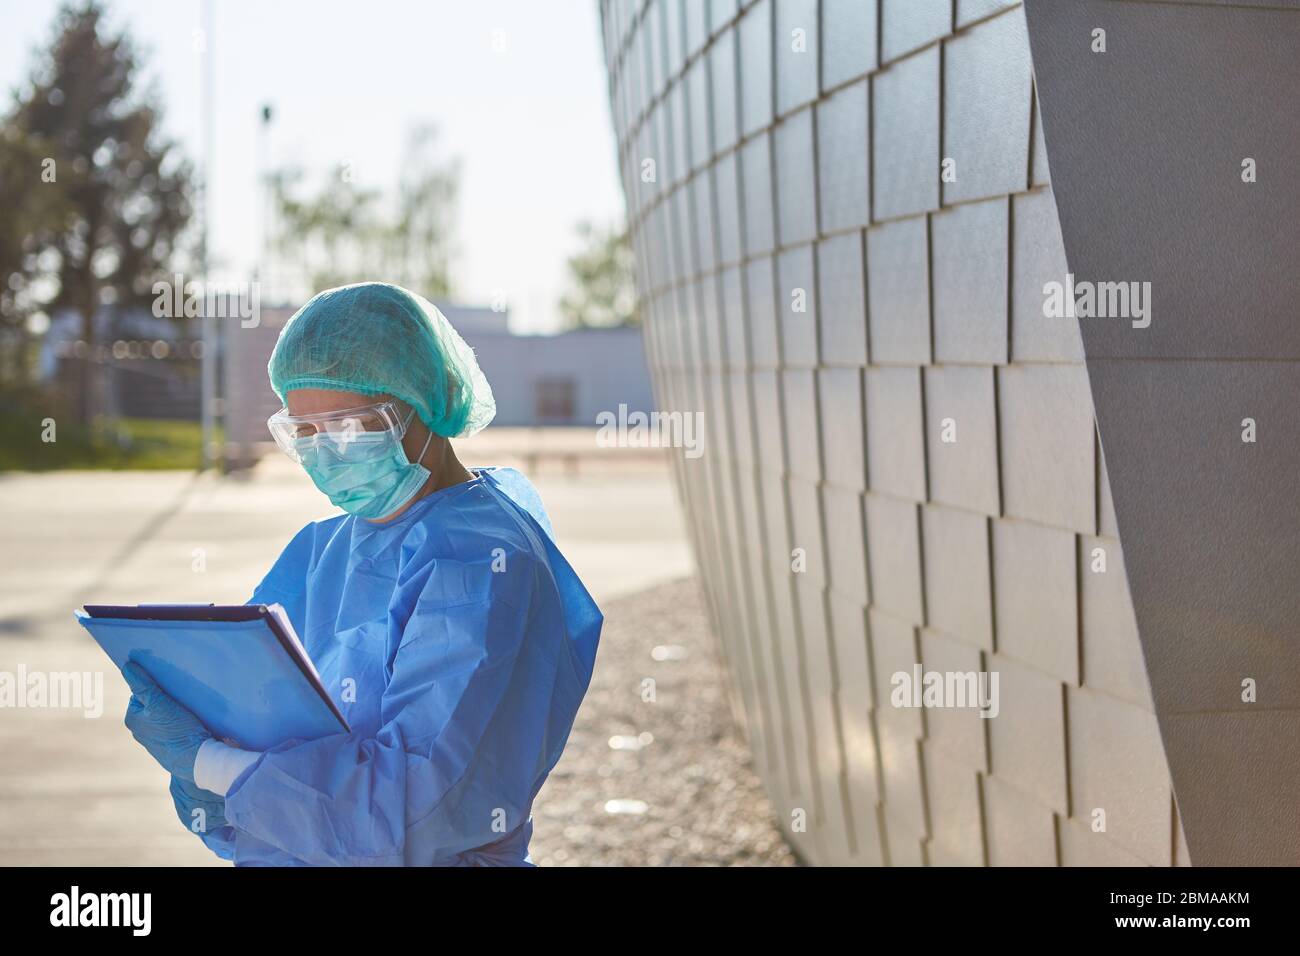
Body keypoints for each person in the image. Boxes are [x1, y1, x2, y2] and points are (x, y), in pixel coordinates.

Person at [121, 281, 602, 866]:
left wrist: (209, 764)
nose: (327, 451)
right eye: (305, 432)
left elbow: (413, 811)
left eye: (349, 426)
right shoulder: (323, 549)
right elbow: (258, 723)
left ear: (430, 401)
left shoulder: (482, 566)